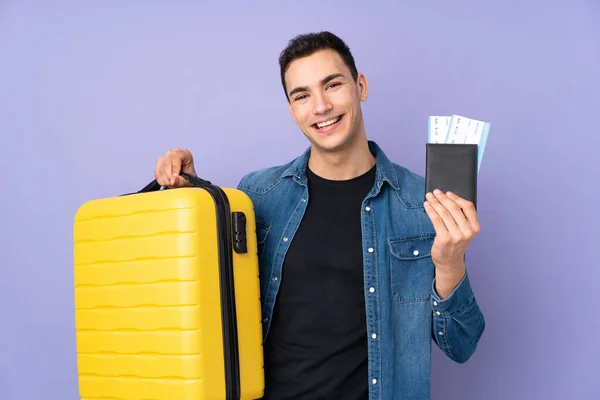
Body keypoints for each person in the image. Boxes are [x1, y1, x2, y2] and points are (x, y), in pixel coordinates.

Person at [154, 31, 485, 400]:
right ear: (292, 110)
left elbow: (461, 345)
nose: (321, 106)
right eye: (302, 95)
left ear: (360, 86)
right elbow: (212, 291)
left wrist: (451, 264)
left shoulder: (422, 203)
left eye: (333, 84)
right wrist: (194, 195)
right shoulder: (257, 194)